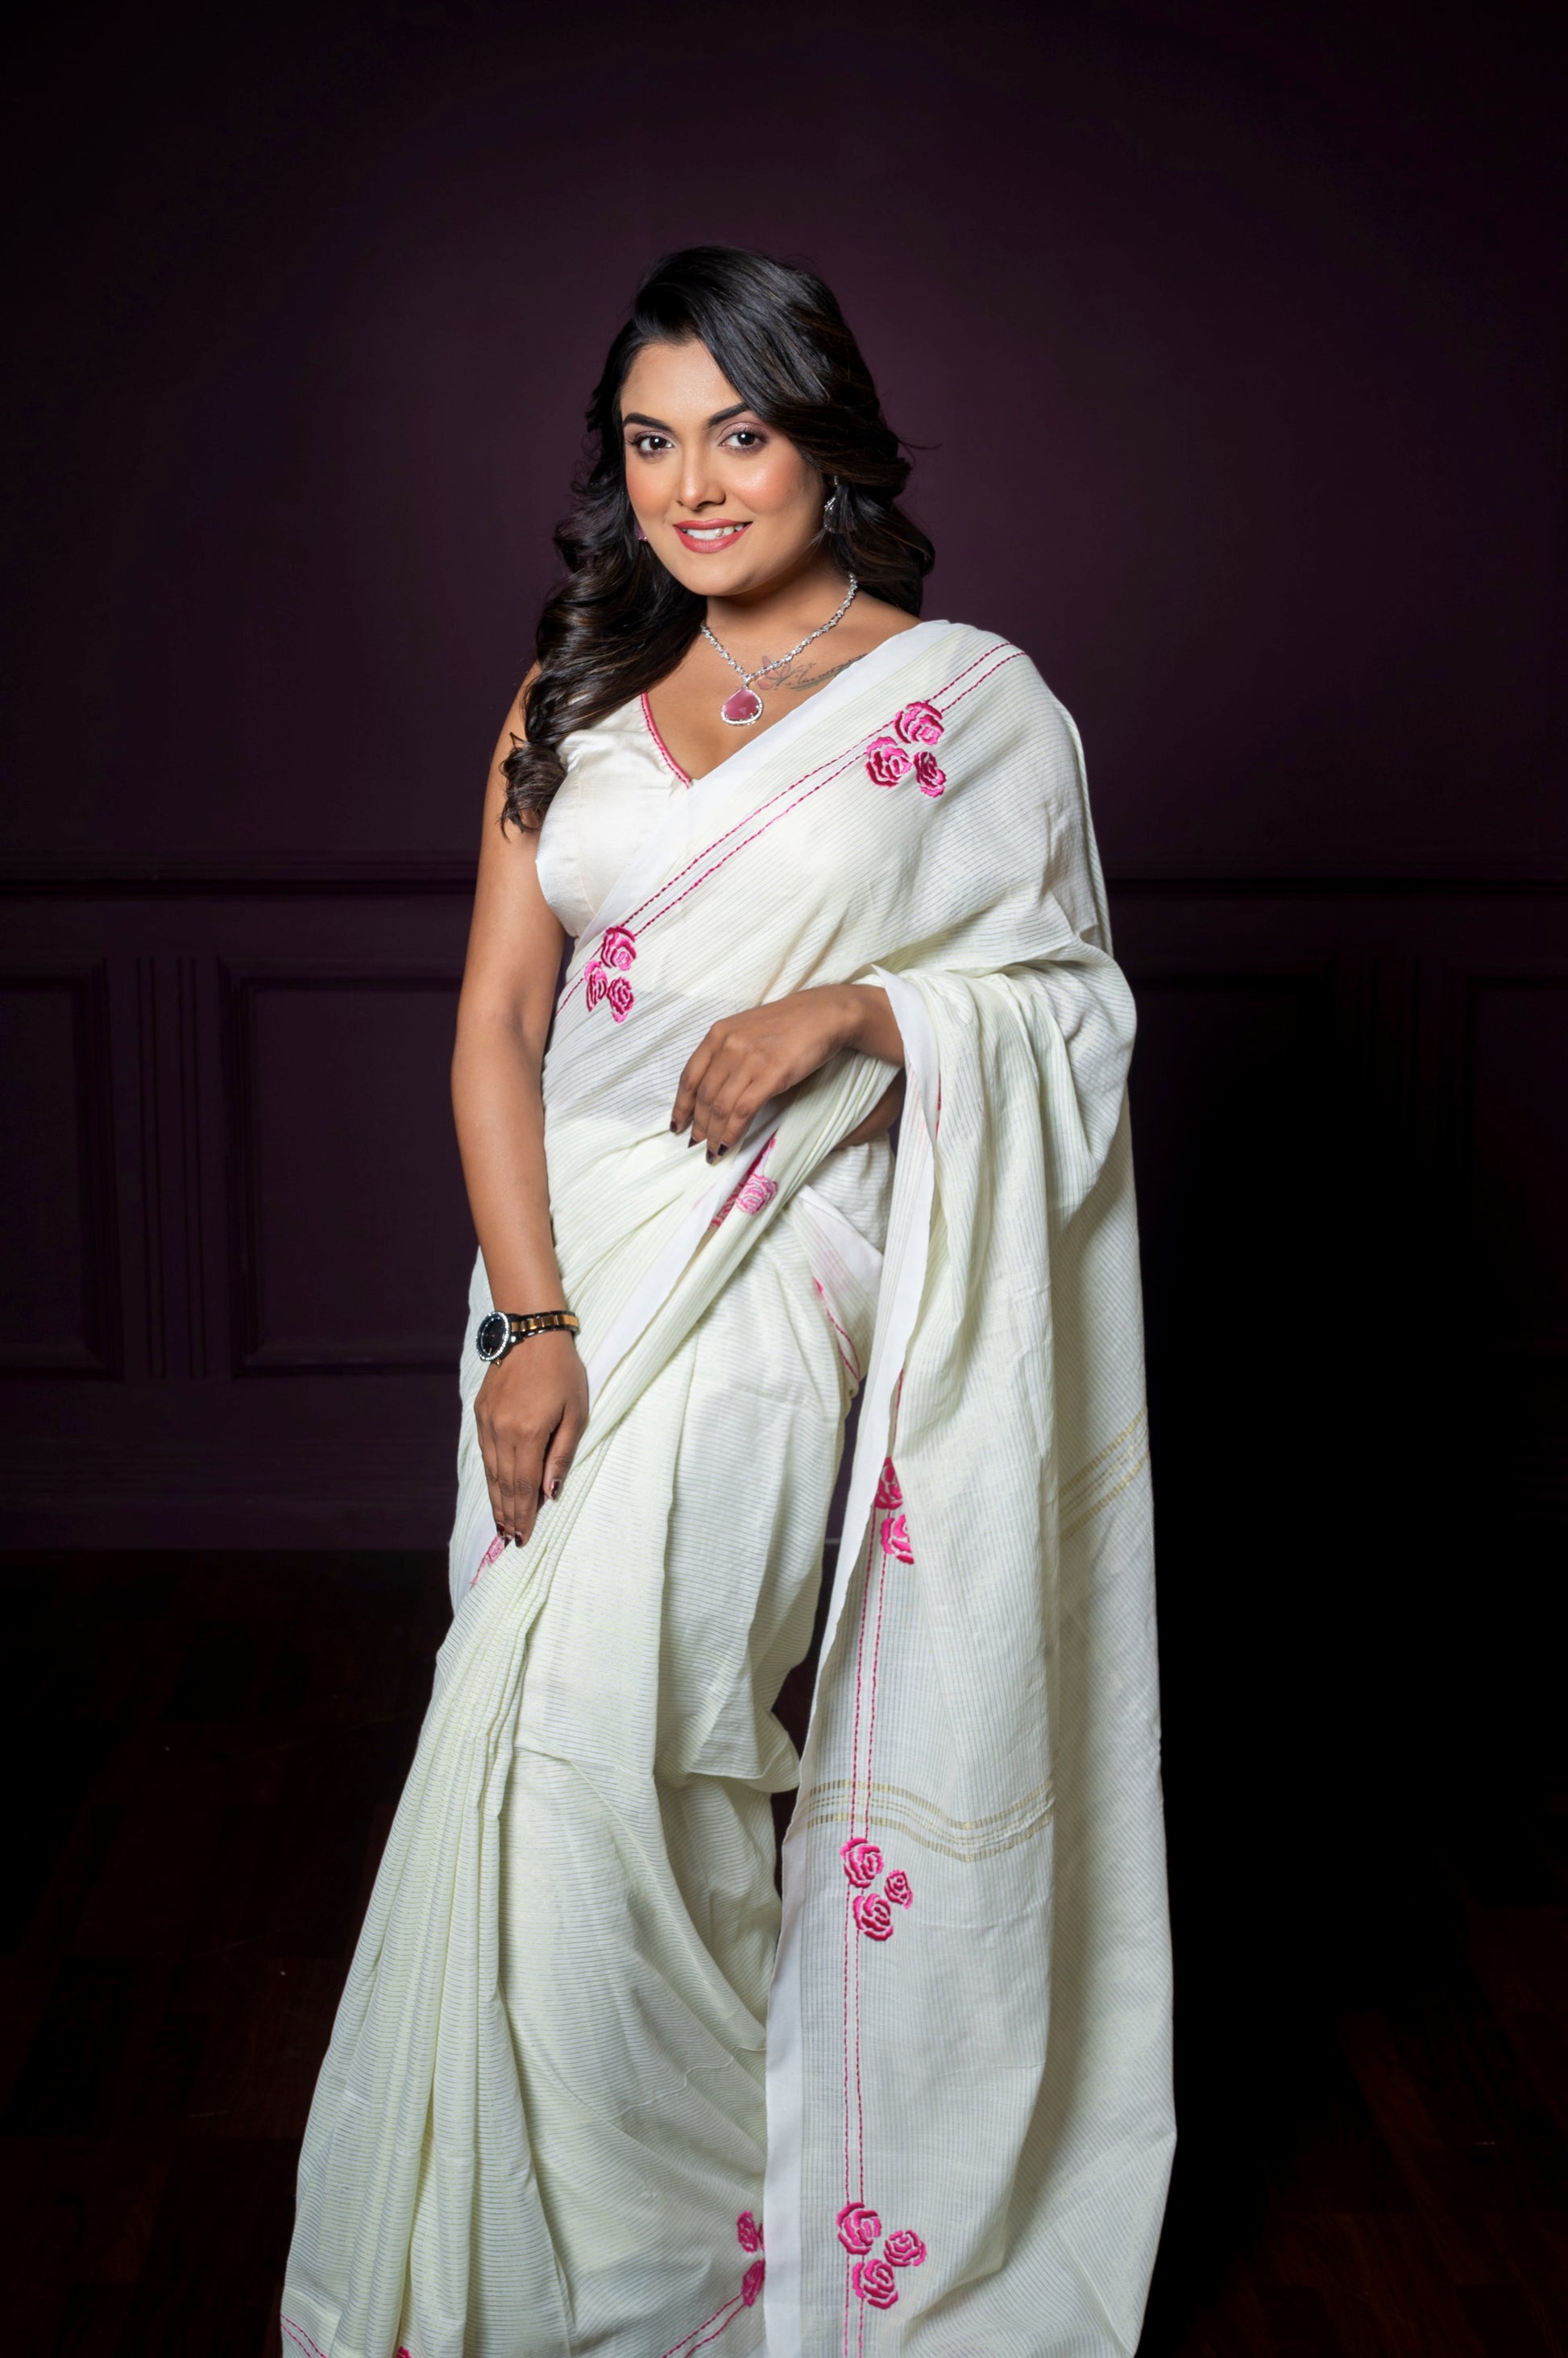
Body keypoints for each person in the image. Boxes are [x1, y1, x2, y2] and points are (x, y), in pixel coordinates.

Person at [282, 245, 1173, 2358]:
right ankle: (536, 2274)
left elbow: (1067, 1005)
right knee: (524, 1757)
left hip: (787, 1296)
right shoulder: (567, 699)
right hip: (563, 1277)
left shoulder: (966, 708)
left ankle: (666, 2272)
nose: (694, 484)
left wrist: (852, 1009)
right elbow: (492, 1029)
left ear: (826, 442)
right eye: (649, 440)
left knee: (631, 1762)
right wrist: (528, 1326)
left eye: (737, 433)